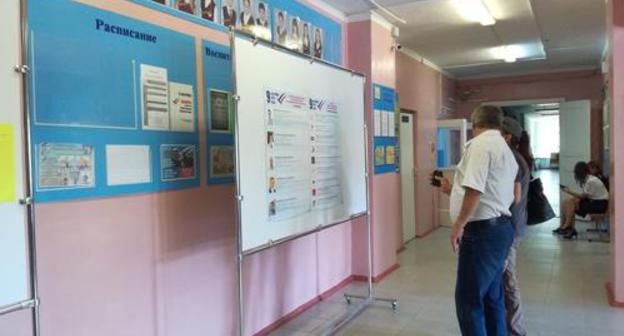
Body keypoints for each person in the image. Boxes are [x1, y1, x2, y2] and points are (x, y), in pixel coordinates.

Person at [434, 105, 517, 336]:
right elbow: (488, 192)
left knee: (468, 300)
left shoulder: (480, 145)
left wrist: (459, 224)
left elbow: (475, 189)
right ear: (499, 124)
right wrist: (453, 192)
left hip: (482, 234)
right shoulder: (503, 147)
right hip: (499, 229)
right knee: (492, 296)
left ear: (474, 124)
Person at [501, 117, 530, 336]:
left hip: (510, 229)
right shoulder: (516, 157)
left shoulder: (512, 158)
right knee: (503, 280)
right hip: (513, 227)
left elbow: (513, 198)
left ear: (507, 136)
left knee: (508, 281)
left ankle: (516, 330)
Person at [553, 161, 609, 239]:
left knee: (571, 204)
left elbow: (582, 196)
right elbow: (586, 196)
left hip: (600, 205)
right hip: (595, 201)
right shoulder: (589, 179)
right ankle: (565, 226)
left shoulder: (591, 181)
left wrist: (568, 191)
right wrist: (575, 198)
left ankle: (567, 227)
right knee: (567, 202)